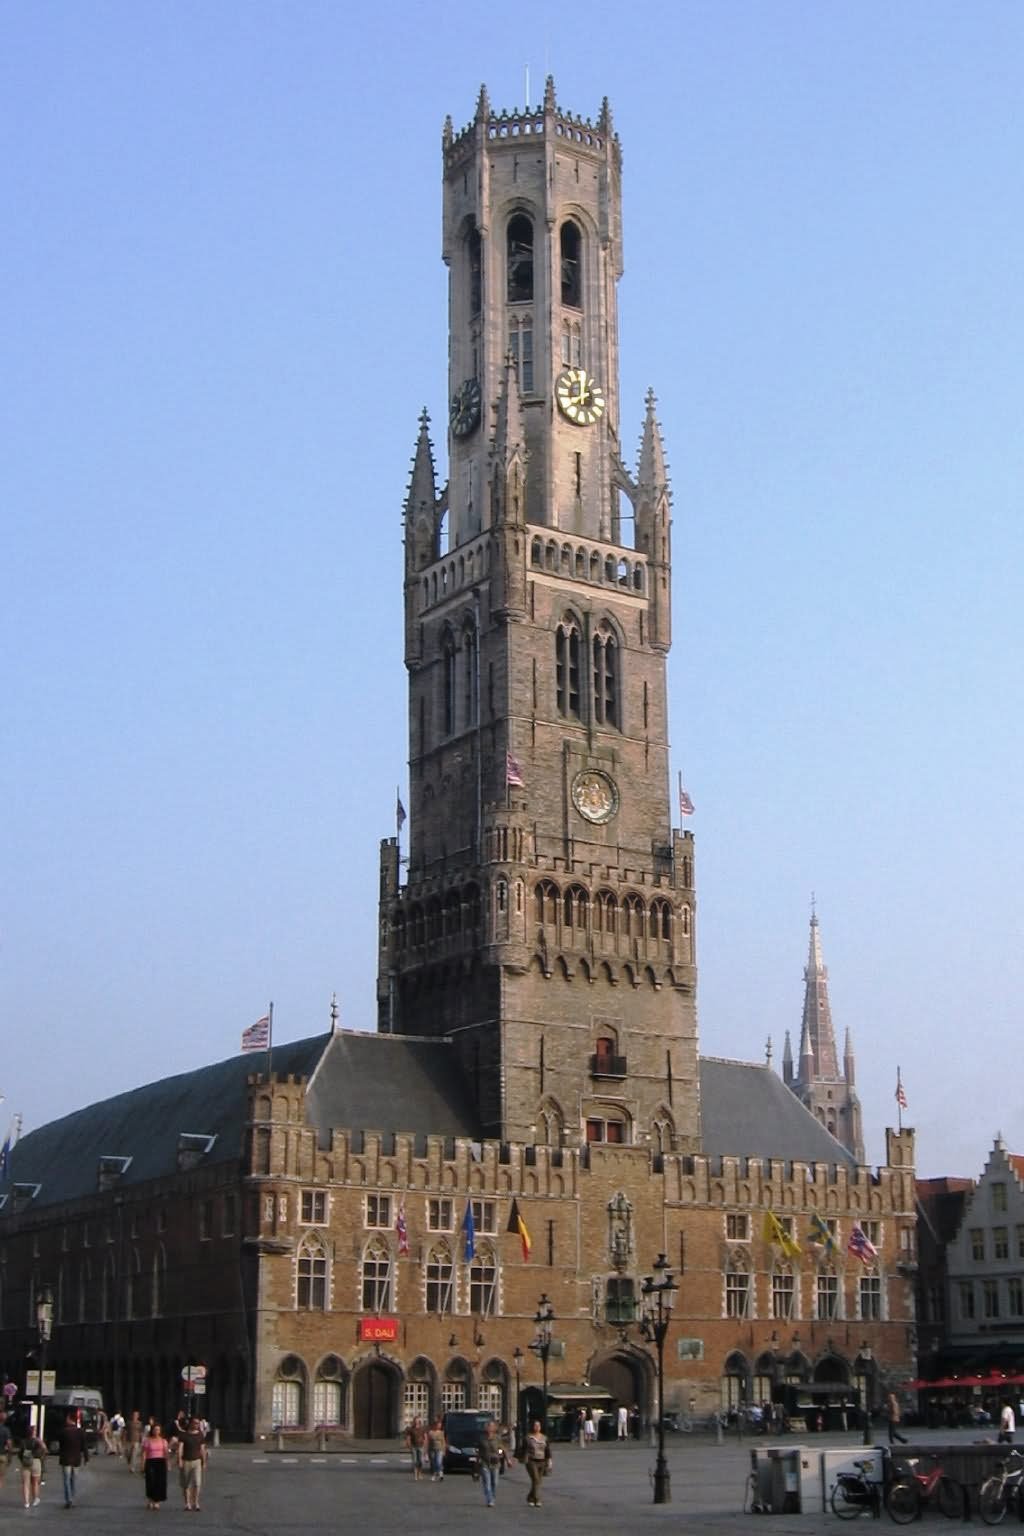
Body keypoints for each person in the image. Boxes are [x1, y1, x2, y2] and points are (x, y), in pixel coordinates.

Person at [58, 1410, 88, 1508]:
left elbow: (61, 1445)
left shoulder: (63, 1431)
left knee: (66, 1480)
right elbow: (84, 1446)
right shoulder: (80, 1432)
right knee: (73, 1480)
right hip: (76, 1459)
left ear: (69, 1419)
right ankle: (73, 1498)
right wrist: (86, 1458)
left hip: (66, 1458)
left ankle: (68, 1499)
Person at [177, 1415, 208, 1512]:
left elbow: (202, 1449)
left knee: (197, 1483)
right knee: (186, 1484)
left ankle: (196, 1502)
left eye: (198, 1423)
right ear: (190, 1423)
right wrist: (180, 1460)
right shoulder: (184, 1435)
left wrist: (204, 1461)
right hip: (186, 1460)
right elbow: (180, 1448)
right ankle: (187, 1503)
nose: (196, 1425)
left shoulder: (200, 1435)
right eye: (195, 1423)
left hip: (197, 1461)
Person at [142, 1420, 170, 1510]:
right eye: (155, 1429)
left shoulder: (163, 1441)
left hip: (160, 1461)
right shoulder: (147, 1440)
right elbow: (144, 1453)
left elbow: (166, 1453)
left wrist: (167, 1463)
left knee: (159, 1482)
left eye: (158, 1430)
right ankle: (150, 1499)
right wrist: (142, 1464)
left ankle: (157, 1501)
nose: (156, 1431)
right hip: (150, 1461)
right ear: (152, 1430)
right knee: (150, 1481)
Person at [523, 1418, 550, 1508]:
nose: (537, 1427)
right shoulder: (528, 1437)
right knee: (536, 1479)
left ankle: (530, 1497)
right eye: (535, 1425)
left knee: (538, 1481)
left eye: (538, 1425)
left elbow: (547, 1450)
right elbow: (523, 1449)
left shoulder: (544, 1438)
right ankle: (537, 1499)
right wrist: (521, 1458)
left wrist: (549, 1461)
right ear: (532, 1427)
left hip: (542, 1461)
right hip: (531, 1461)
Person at [476, 1419, 502, 1508]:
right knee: (487, 1482)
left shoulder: (497, 1438)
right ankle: (489, 1499)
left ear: (494, 1428)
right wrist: (477, 1462)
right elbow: (479, 1451)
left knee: (494, 1482)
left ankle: (493, 1497)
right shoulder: (481, 1438)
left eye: (491, 1426)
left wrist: (500, 1454)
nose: (489, 1428)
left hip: (495, 1463)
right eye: (488, 1426)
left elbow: (501, 1448)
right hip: (484, 1463)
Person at [19, 1425, 45, 1509]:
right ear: (34, 1432)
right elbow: (44, 1448)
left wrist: (22, 1460)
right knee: (35, 1483)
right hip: (36, 1461)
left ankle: (26, 1502)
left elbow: (20, 1453)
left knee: (26, 1483)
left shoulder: (23, 1441)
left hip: (25, 1463)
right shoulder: (37, 1441)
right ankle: (35, 1499)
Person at [0, 1409, 11, 1490]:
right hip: (2, 1455)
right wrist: (10, 1455)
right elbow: (9, 1443)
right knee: (0, 1477)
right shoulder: (6, 1430)